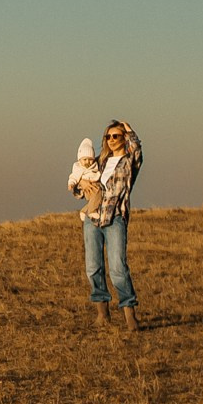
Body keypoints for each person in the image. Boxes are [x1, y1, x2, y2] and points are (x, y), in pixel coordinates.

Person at [69, 119, 142, 329]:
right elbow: (80, 184)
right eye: (108, 136)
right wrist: (80, 184)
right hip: (93, 218)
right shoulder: (99, 162)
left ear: (123, 138)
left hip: (115, 218)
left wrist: (128, 129)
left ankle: (130, 314)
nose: (111, 140)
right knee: (93, 267)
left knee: (118, 268)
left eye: (116, 136)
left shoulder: (129, 161)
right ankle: (102, 314)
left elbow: (137, 149)